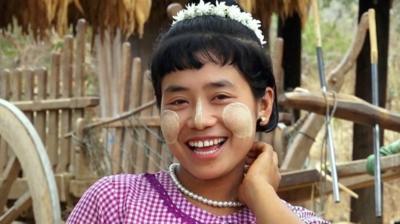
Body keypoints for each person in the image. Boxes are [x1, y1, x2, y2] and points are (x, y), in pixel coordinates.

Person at [67, 1, 330, 223]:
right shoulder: (115, 204)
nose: (199, 120)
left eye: (220, 97)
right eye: (179, 101)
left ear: (263, 105)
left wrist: (261, 195)